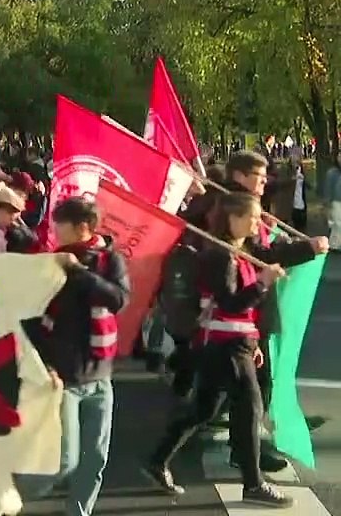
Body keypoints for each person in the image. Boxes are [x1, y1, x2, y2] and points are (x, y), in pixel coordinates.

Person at [142, 192, 308, 507]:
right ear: (231, 218)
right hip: (224, 345)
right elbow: (230, 303)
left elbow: (240, 309)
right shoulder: (220, 255)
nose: (256, 222)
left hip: (231, 343)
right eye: (251, 216)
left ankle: (157, 459)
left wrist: (253, 339)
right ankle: (253, 484)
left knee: (204, 409)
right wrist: (262, 282)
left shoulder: (237, 250)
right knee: (249, 407)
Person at [17, 197, 129, 516]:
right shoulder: (49, 266)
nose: (53, 231)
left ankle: (78, 512)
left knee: (95, 458)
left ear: (82, 228)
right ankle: (7, 500)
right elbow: (28, 316)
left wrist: (79, 272)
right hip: (63, 377)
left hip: (101, 375)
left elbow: (117, 299)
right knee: (63, 462)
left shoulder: (109, 262)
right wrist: (44, 364)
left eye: (59, 225)